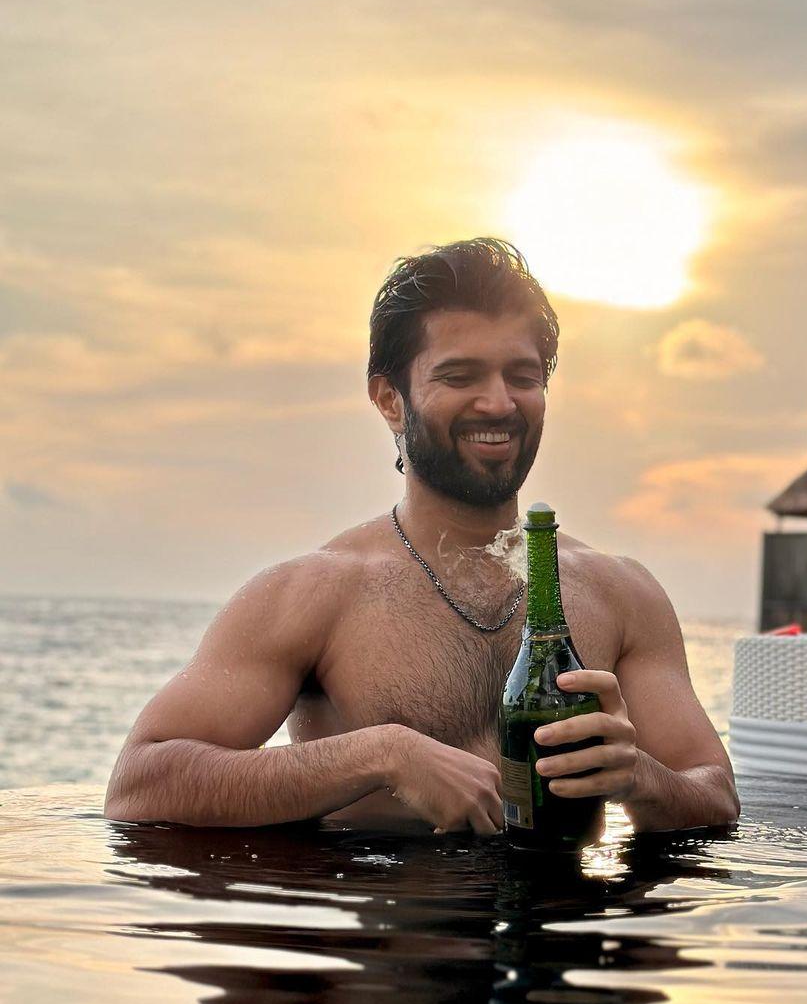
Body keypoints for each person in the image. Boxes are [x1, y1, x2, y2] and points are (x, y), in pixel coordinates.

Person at [104, 238, 739, 834]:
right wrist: (381, 754)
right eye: (460, 377)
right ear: (389, 400)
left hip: (565, 937)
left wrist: (641, 780)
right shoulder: (317, 591)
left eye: (522, 377)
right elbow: (139, 783)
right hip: (394, 927)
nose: (498, 403)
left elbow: (714, 794)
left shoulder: (620, 591)